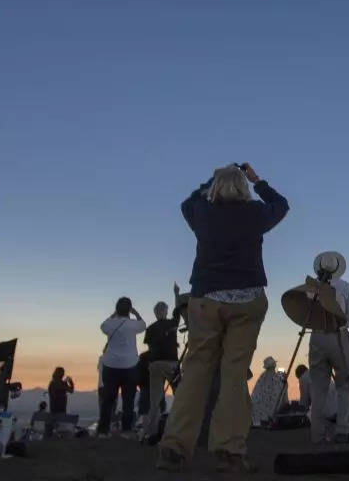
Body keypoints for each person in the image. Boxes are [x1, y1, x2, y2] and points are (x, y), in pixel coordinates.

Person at [157, 163, 288, 472]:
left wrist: (210, 180)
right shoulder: (255, 213)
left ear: (215, 187)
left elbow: (187, 201)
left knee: (196, 372)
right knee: (233, 374)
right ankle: (229, 451)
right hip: (247, 302)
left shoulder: (202, 211)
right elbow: (281, 205)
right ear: (244, 188)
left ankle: (174, 447)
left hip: (205, 300)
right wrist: (257, 180)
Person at [308, 251, 349, 444]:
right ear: (337, 268)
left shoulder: (311, 287)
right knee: (344, 385)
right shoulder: (345, 287)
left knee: (318, 387)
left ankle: (317, 434)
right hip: (339, 335)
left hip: (316, 336)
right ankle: (343, 430)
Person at [140, 286, 183, 442]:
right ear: (164, 311)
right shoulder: (172, 323)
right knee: (181, 394)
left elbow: (150, 347)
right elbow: (178, 309)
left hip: (154, 365)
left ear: (155, 313)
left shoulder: (150, 329)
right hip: (170, 363)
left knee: (155, 401)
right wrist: (176, 294)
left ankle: (151, 433)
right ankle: (180, 430)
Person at [99, 297, 146, 436]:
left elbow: (102, 325)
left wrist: (114, 314)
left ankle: (103, 431)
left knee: (108, 400)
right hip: (130, 366)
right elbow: (143, 324)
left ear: (117, 309)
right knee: (128, 400)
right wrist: (135, 312)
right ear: (129, 310)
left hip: (110, 365)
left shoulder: (110, 324)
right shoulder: (133, 325)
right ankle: (126, 430)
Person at [249, 357, 287, 427]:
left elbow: (256, 392)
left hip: (262, 406)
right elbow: (282, 390)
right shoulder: (277, 377)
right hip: (270, 406)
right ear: (274, 365)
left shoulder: (263, 376)